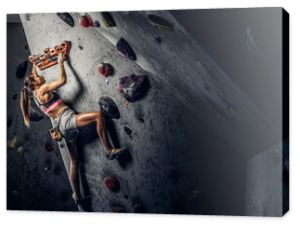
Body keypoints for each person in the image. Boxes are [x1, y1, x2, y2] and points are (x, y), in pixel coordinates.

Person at [20, 53, 125, 205]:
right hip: (66, 119)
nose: (40, 76)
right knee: (98, 116)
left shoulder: (36, 94)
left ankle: (77, 195)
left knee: (74, 162)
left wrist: (34, 62)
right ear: (34, 84)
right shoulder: (42, 89)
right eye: (37, 77)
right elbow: (62, 80)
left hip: (62, 127)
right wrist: (61, 62)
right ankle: (109, 150)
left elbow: (34, 72)